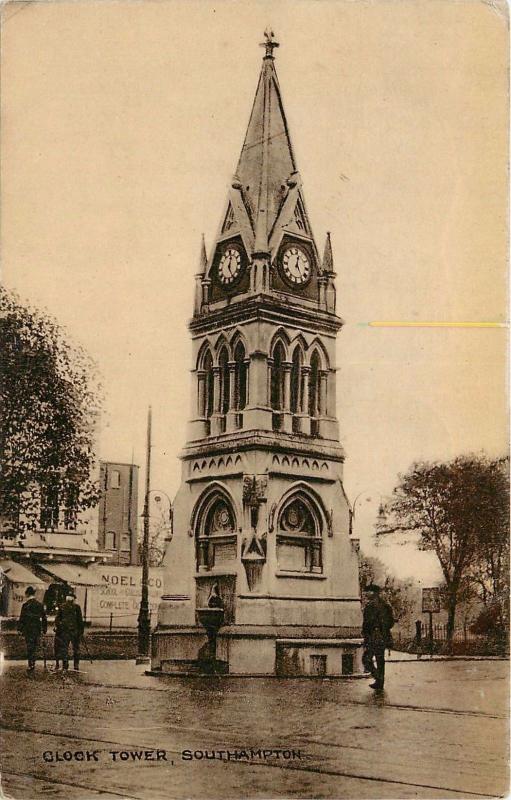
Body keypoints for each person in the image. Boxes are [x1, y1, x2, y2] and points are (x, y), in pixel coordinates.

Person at [362, 583, 394, 691]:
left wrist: (368, 634)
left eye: (368, 591)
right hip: (382, 635)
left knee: (366, 659)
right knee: (380, 659)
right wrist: (384, 630)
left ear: (374, 593)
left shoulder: (371, 606)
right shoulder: (385, 605)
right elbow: (391, 622)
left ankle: (378, 678)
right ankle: (380, 681)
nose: (366, 593)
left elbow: (367, 623)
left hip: (373, 636)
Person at [17, 586, 47, 671]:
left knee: (30, 646)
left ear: (27, 594)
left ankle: (31, 664)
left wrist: (20, 629)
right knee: (34, 646)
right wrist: (44, 629)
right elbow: (44, 618)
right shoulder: (39, 605)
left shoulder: (25, 605)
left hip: (28, 629)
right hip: (37, 629)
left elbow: (22, 618)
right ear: (34, 594)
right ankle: (33, 662)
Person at [54, 589, 84, 671]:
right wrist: (81, 631)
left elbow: (57, 619)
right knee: (76, 648)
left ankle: (65, 664)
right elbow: (80, 620)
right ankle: (76, 664)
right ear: (73, 599)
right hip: (74, 631)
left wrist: (60, 627)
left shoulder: (62, 606)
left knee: (64, 648)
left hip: (65, 631)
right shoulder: (77, 607)